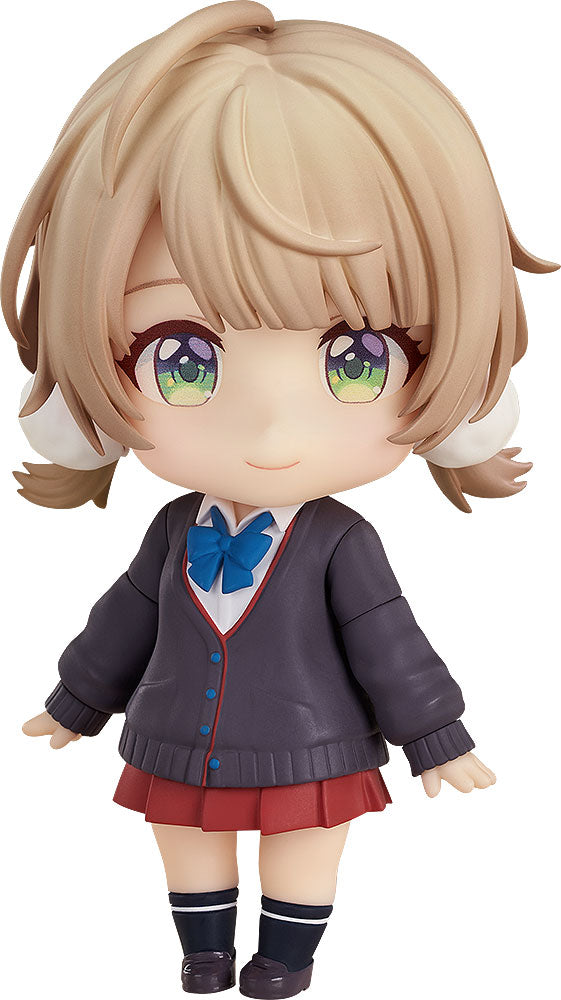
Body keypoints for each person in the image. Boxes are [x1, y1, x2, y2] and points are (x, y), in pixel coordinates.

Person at [3, 3, 555, 997]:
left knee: (305, 848)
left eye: (357, 357)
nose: (269, 431)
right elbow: (125, 618)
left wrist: (436, 738)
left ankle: (286, 959)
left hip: (311, 743)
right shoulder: (172, 530)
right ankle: (203, 951)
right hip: (178, 732)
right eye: (181, 357)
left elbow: (389, 639)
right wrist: (74, 702)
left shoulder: (342, 541)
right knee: (183, 842)